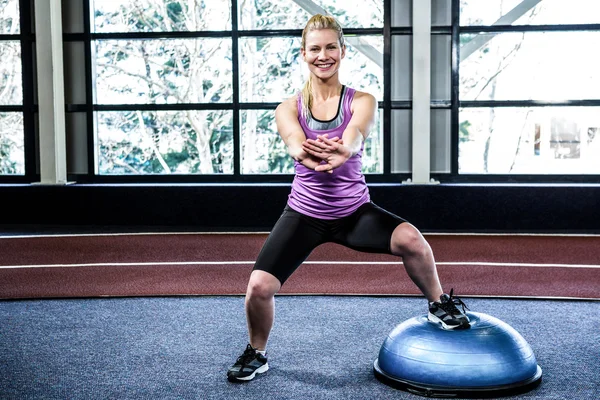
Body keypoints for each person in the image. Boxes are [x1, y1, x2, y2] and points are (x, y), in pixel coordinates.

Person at [227, 14, 470, 383]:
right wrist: (305, 152)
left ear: (342, 51)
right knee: (259, 287)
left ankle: (438, 303)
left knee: (413, 241)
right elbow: (293, 139)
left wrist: (345, 149)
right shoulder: (288, 107)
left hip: (353, 213)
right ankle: (256, 352)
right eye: (314, 49)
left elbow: (357, 131)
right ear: (303, 53)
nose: (322, 55)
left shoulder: (362, 100)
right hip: (304, 215)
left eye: (330, 47)